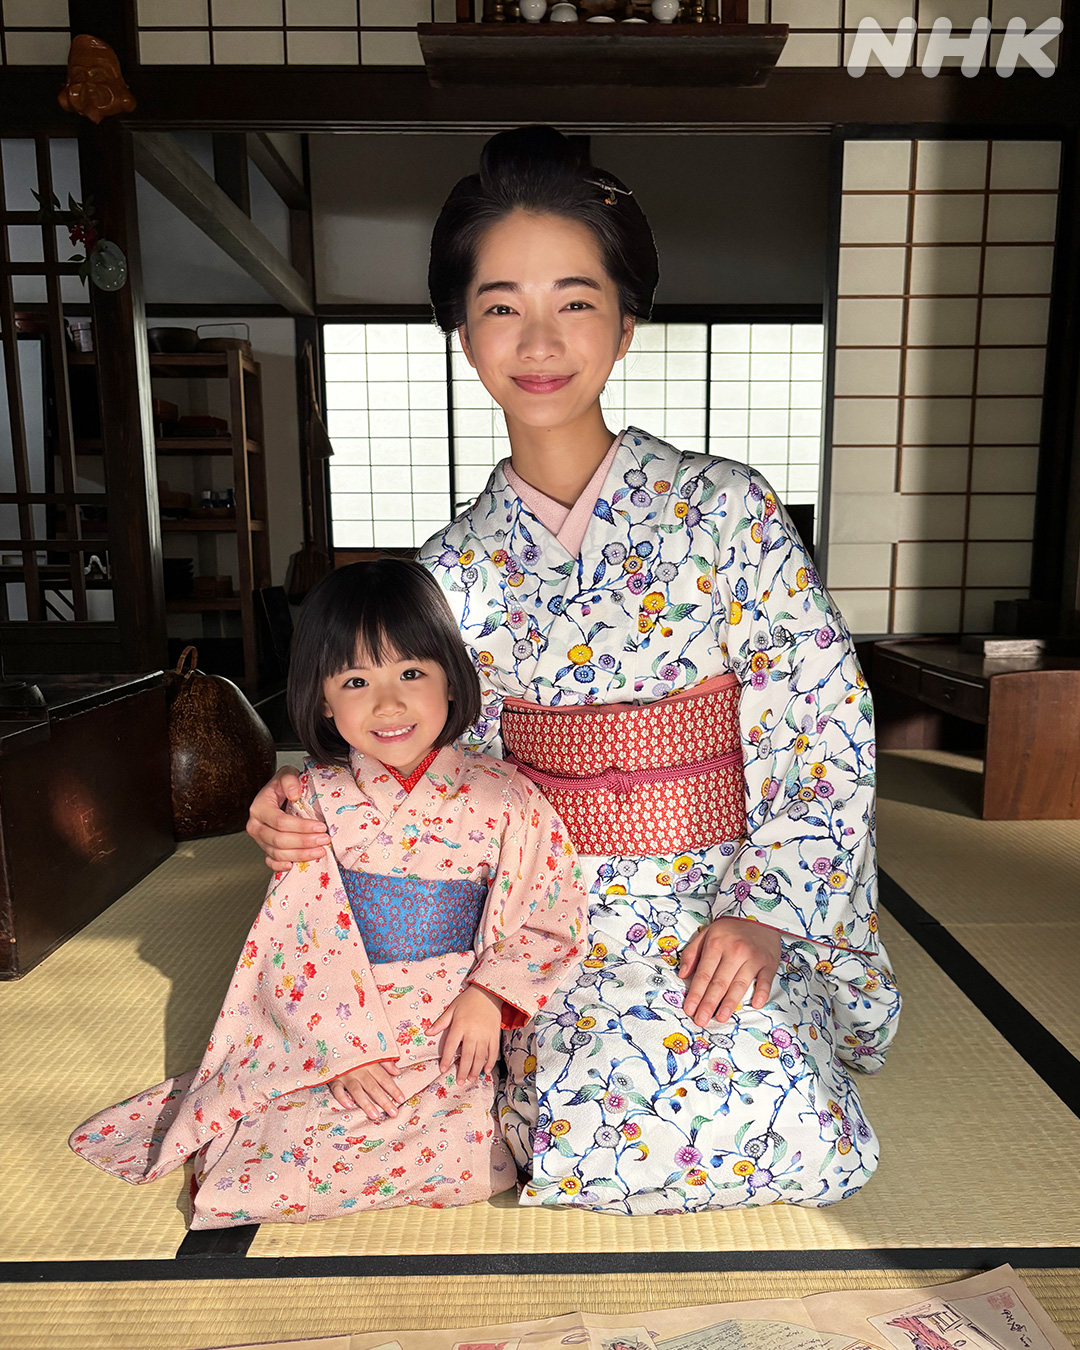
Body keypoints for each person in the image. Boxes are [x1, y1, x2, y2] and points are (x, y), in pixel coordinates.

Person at [248, 126, 901, 1216]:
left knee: (773, 1107)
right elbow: (423, 763)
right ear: (463, 332)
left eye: (576, 301)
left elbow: (822, 720)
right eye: (501, 305)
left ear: (627, 323)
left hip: (724, 890)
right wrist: (309, 798)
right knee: (556, 1107)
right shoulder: (448, 571)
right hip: (546, 909)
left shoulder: (726, 511)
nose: (539, 340)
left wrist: (768, 914)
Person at [70, 559, 586, 1229]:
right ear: (321, 699)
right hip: (336, 1020)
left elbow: (549, 913)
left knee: (477, 1161)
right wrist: (338, 1051)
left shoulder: (506, 797)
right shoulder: (313, 800)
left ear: (452, 681)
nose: (388, 705)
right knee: (274, 1162)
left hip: (451, 1022)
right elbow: (295, 936)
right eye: (355, 681)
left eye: (411, 673)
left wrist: (489, 999)